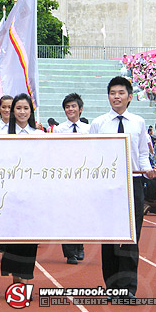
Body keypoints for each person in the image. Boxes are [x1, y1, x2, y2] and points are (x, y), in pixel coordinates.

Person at [89, 76, 156, 299]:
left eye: (120, 93)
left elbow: (143, 154)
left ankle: (128, 288)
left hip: (132, 183)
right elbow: (91, 154)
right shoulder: (99, 123)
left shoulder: (138, 122)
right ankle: (111, 288)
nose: (116, 97)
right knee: (109, 237)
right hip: (107, 185)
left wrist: (148, 170)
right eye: (112, 93)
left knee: (130, 237)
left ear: (129, 97)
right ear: (108, 96)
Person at [0, 93, 44, 287]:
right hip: (9, 194)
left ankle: (26, 278)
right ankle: (16, 279)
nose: (22, 112)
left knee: (29, 238)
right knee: (13, 236)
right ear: (12, 111)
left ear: (31, 111)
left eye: (26, 108)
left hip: (33, 194)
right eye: (18, 108)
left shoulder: (39, 135)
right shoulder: (1, 136)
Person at [53, 93, 90, 265]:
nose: (70, 109)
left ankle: (80, 245)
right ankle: (70, 253)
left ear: (80, 109)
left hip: (83, 176)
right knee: (65, 214)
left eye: (73, 106)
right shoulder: (59, 129)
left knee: (81, 213)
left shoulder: (88, 129)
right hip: (65, 176)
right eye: (67, 107)